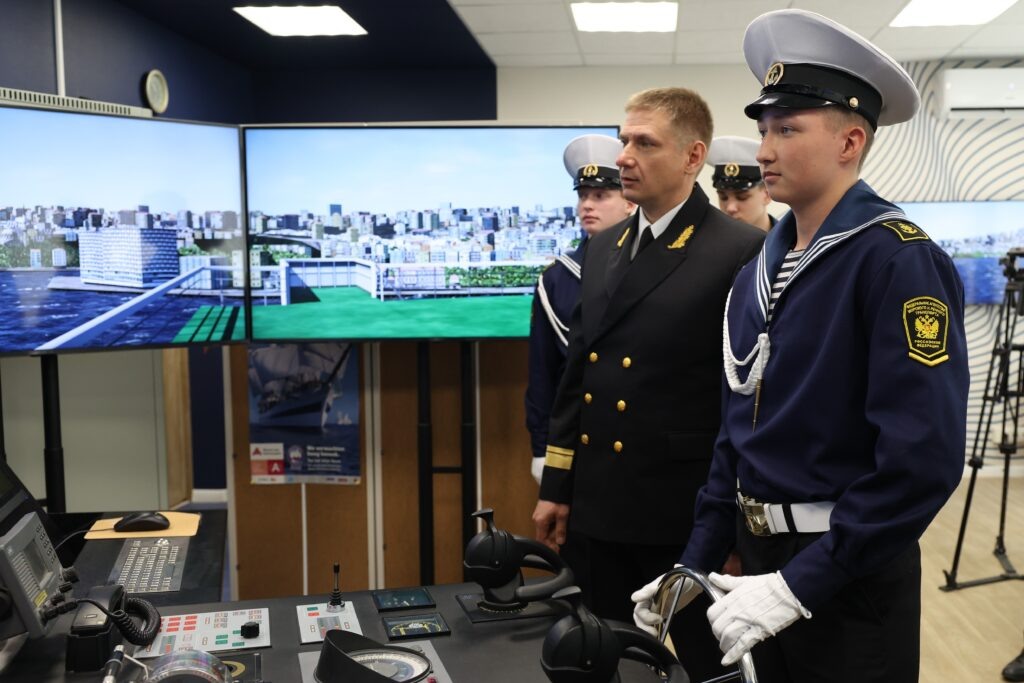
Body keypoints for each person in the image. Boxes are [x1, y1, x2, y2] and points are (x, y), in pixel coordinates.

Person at [630, 10, 969, 683]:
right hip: (754, 564)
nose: (762, 151)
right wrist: (697, 557)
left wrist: (800, 584)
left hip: (848, 570)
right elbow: (738, 431)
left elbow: (921, 461)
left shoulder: (895, 262)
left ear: (849, 140)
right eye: (763, 129)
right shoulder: (762, 264)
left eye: (787, 128)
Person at [533, 87, 764, 681]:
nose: (624, 157)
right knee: (606, 657)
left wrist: (735, 528)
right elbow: (577, 375)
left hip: (683, 517)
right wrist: (558, 485)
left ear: (692, 157)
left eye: (643, 143)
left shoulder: (740, 251)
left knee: (701, 667)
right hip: (599, 507)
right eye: (623, 140)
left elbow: (749, 404)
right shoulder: (605, 247)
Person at [526, 134, 635, 487]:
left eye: (601, 195)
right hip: (578, 440)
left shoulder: (654, 266)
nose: (587, 205)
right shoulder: (557, 280)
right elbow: (543, 377)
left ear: (630, 202)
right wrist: (541, 451)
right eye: (583, 195)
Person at [706, 135, 776, 231]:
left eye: (742, 197)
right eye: (723, 197)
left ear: (767, 195)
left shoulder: (793, 240)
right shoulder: (707, 242)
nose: (730, 208)